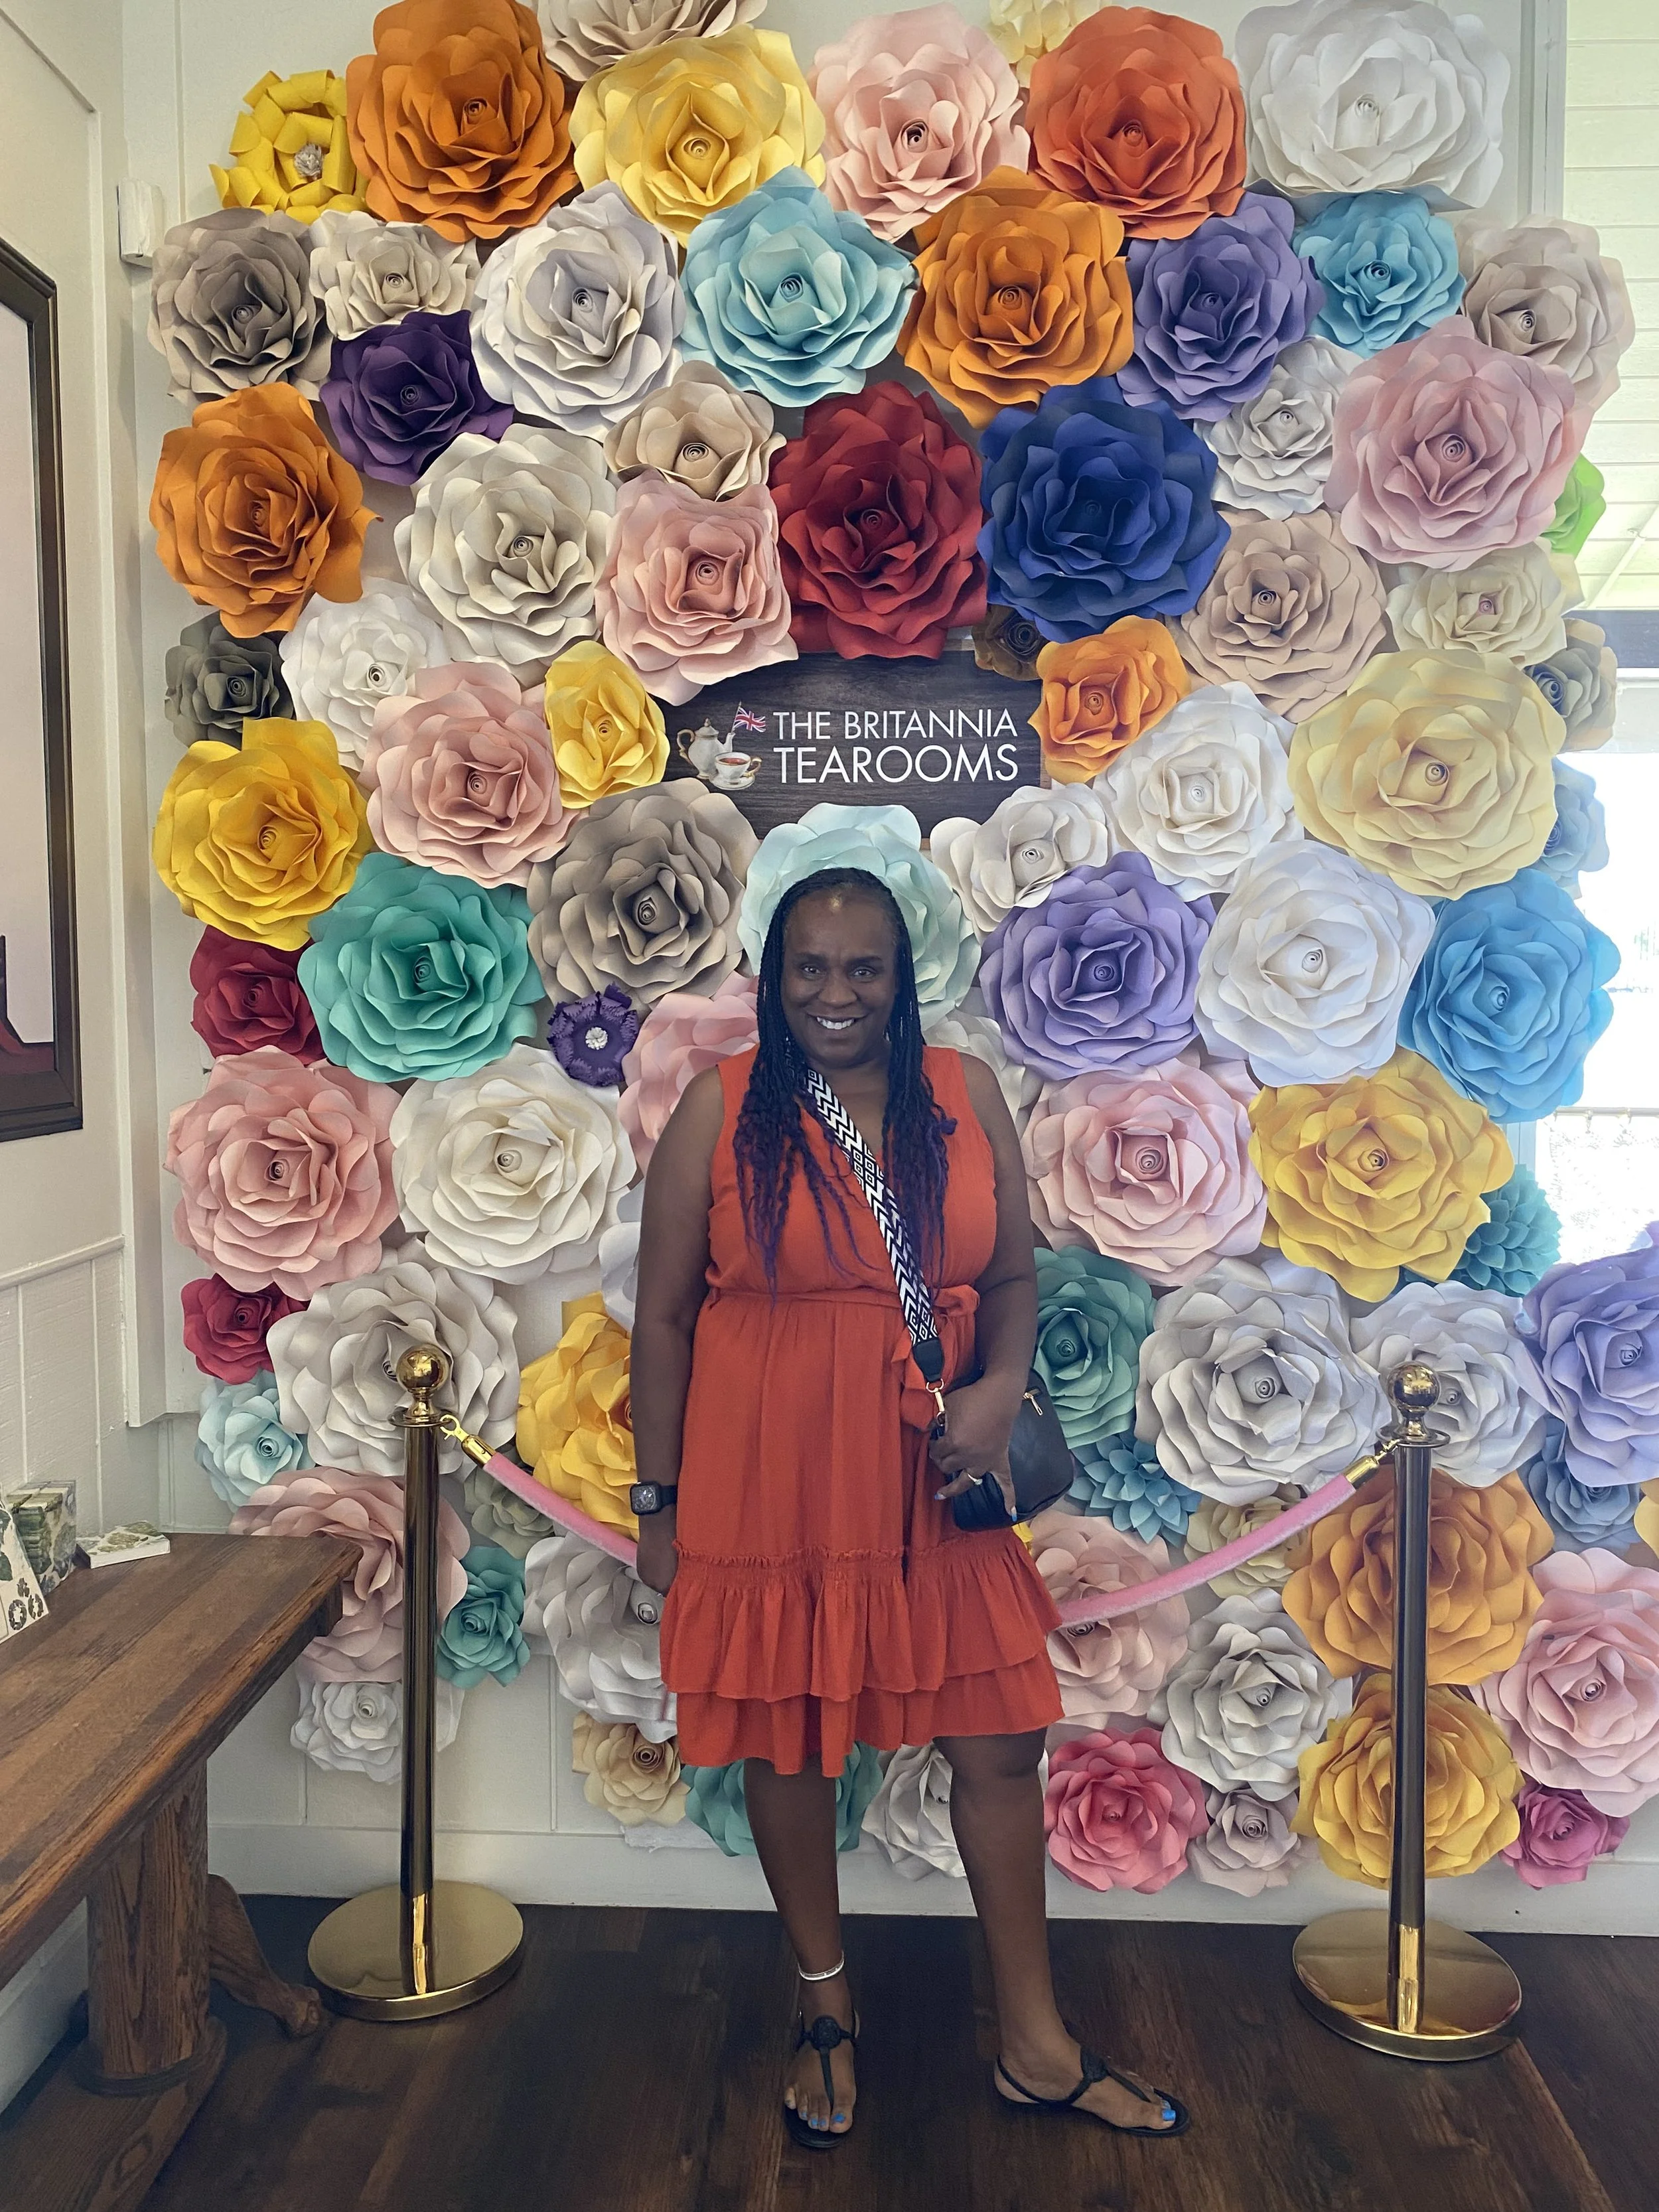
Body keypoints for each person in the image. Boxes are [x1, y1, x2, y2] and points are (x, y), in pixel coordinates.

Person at [629, 866, 1187, 2149]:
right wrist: (658, 1504)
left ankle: (1037, 2044)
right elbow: (663, 1319)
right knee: (788, 1742)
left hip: (934, 1459)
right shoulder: (719, 1114)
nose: (836, 992)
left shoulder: (960, 1091)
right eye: (810, 968)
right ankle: (826, 2009)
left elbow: (1007, 1273)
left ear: (899, 977)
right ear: (774, 980)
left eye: (862, 967)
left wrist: (998, 1390)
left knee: (999, 1741)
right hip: (765, 1470)